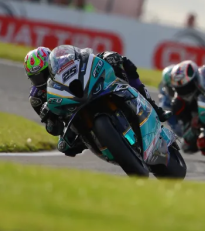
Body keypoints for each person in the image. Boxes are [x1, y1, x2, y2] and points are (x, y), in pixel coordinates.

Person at [24, 46, 172, 157]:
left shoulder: (63, 60)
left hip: (88, 91)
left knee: (119, 60)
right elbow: (53, 129)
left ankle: (152, 106)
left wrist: (104, 57)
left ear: (51, 64)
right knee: (64, 147)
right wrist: (49, 117)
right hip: (72, 117)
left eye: (45, 73)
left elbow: (86, 57)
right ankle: (99, 141)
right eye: (37, 77)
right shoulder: (37, 98)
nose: (42, 80)